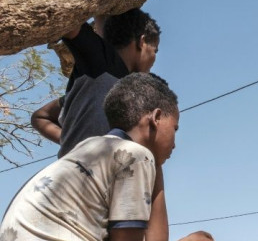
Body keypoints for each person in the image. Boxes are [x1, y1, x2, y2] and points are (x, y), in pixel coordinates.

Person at [0, 73, 216, 241]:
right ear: (156, 117)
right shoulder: (134, 156)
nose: (175, 141)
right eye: (175, 128)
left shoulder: (88, 150)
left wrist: (157, 167)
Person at [32, 8, 161, 158]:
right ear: (142, 41)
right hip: (79, 178)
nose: (154, 58)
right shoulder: (101, 61)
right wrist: (73, 142)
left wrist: (72, 140)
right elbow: (69, 18)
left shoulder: (97, 93)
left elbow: (40, 117)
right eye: (155, 50)